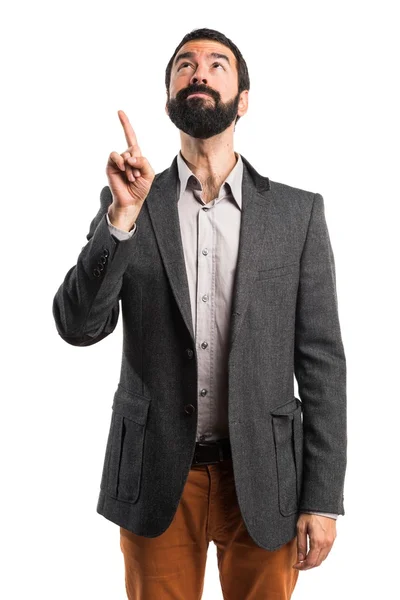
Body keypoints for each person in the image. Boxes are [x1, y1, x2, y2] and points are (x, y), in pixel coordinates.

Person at [52, 27, 347, 600]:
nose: (200, 73)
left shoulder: (297, 214)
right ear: (170, 97)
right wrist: (120, 220)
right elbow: (78, 326)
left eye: (217, 65)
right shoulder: (133, 203)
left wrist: (323, 496)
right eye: (185, 65)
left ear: (243, 98)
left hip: (264, 474)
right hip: (158, 473)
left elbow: (323, 363)